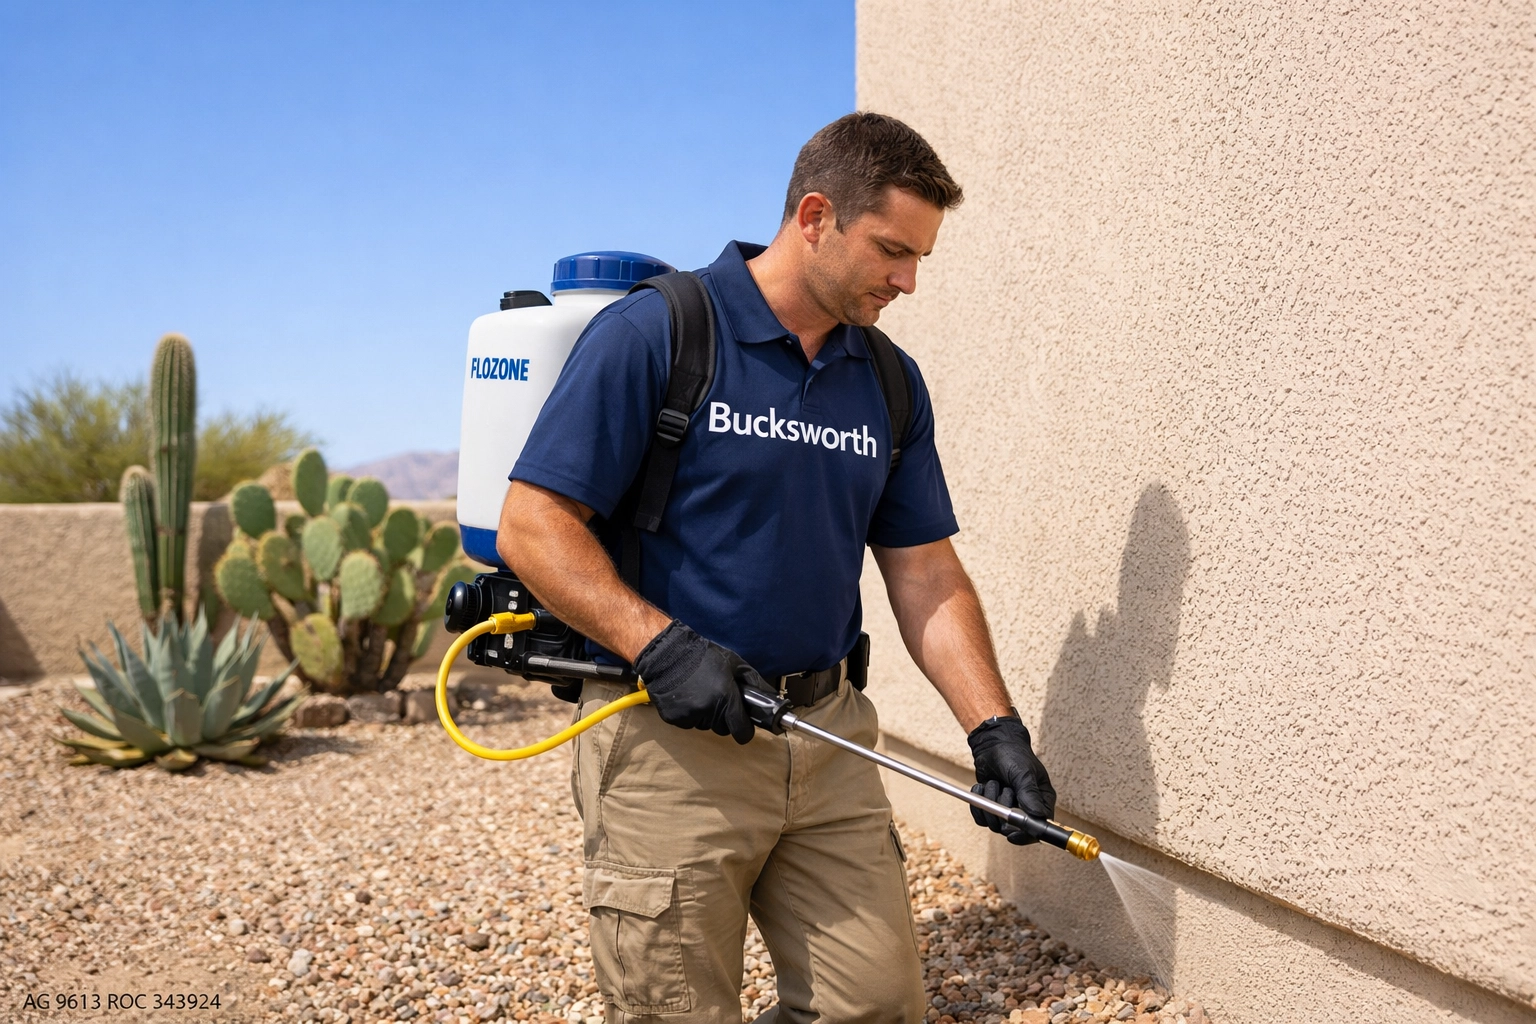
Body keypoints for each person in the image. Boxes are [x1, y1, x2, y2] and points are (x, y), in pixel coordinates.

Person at [499, 112, 1056, 1024]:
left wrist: (995, 729)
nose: (909, 281)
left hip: (828, 738)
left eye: (920, 258)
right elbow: (534, 524)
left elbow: (924, 572)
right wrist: (661, 645)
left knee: (874, 1005)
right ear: (812, 216)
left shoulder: (886, 380)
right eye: (890, 250)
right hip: (668, 746)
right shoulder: (661, 333)